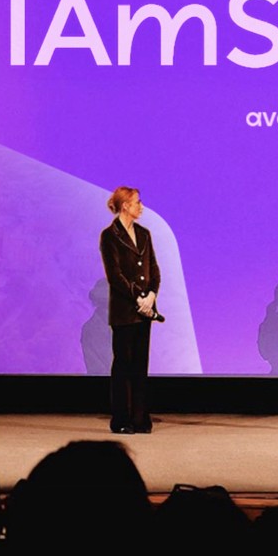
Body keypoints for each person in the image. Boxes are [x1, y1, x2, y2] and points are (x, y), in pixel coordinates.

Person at [98, 186, 160, 434]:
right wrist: (138, 297)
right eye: (137, 202)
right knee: (123, 365)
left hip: (145, 311)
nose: (141, 206)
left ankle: (140, 417)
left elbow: (153, 269)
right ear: (125, 206)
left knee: (140, 365)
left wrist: (152, 295)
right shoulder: (110, 235)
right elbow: (115, 275)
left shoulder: (144, 233)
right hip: (125, 311)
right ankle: (121, 418)